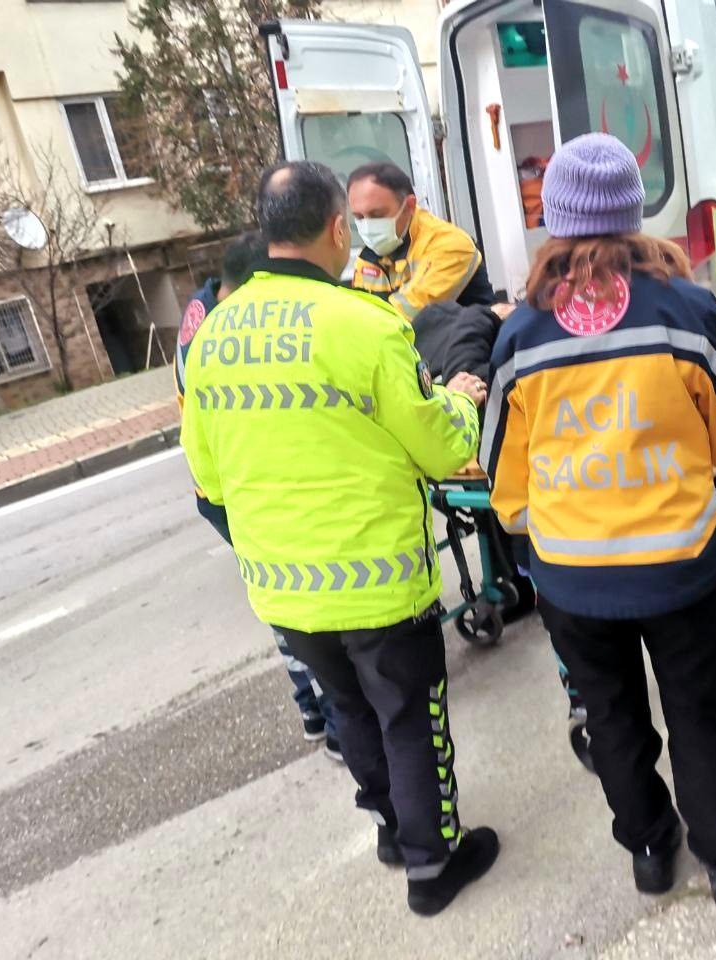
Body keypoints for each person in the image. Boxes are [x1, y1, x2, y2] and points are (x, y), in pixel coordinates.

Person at [180, 160, 499, 916]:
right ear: (335, 228)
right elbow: (437, 449)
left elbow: (209, 478)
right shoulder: (367, 324)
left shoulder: (214, 335)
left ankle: (392, 831)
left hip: (284, 591)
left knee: (350, 712)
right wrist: (458, 400)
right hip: (378, 583)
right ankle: (432, 866)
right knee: (409, 722)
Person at [483, 134, 716, 908]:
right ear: (632, 213)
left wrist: (533, 524)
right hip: (680, 569)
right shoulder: (683, 312)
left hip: (573, 580)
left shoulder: (521, 333)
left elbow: (502, 471)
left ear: (554, 220)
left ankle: (651, 850)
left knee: (612, 722)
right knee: (701, 716)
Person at [174, 232, 342, 753]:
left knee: (285, 603)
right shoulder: (224, 331)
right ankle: (333, 720)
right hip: (245, 484)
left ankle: (314, 712)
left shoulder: (203, 309)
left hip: (227, 484)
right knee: (306, 608)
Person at [347, 162, 494, 323]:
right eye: (359, 217)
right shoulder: (368, 257)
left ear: (409, 205)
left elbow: (406, 314)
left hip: (463, 343)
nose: (368, 226)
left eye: (377, 214)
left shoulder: (449, 244)